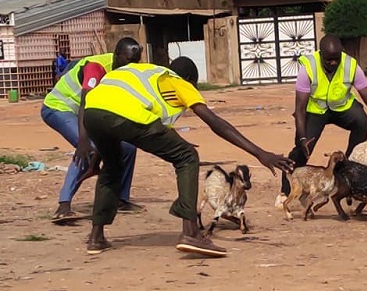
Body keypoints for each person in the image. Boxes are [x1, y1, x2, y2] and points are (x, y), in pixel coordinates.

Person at [82, 57, 294, 256]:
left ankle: (96, 237)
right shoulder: (178, 82)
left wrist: (94, 163)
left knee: (112, 166)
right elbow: (215, 123)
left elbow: (109, 114)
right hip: (127, 116)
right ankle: (191, 232)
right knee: (187, 156)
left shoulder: (142, 71)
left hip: (91, 113)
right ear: (191, 81)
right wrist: (260, 153)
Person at [276, 34, 367, 208]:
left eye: (336, 59)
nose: (332, 63)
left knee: (361, 122)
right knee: (302, 150)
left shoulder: (351, 65)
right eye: (328, 59)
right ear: (320, 53)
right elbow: (299, 109)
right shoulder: (308, 67)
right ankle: (285, 191)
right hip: (316, 110)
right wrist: (302, 138)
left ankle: (346, 168)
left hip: (342, 108)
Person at [41, 38, 144, 224]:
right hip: (59, 108)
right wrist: (82, 139)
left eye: (135, 61)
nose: (131, 65)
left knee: (128, 146)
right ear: (116, 56)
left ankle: (121, 199)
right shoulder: (96, 67)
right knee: (89, 147)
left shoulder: (128, 73)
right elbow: (84, 103)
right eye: (128, 60)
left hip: (87, 112)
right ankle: (63, 205)